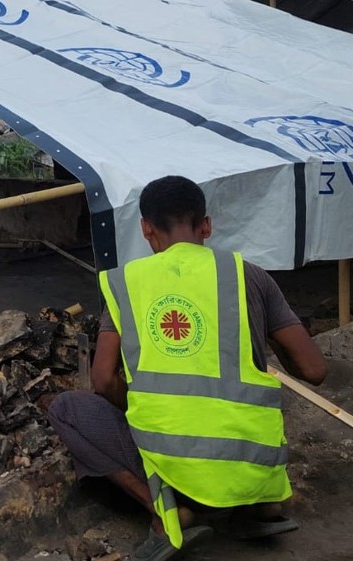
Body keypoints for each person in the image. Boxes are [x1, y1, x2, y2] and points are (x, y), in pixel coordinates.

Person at [47, 175, 327, 561]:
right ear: (206, 226)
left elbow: (102, 380)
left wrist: (145, 407)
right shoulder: (249, 275)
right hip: (248, 464)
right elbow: (314, 371)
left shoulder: (129, 283)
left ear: (146, 228)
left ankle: (167, 512)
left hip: (171, 462)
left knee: (66, 409)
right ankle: (257, 505)